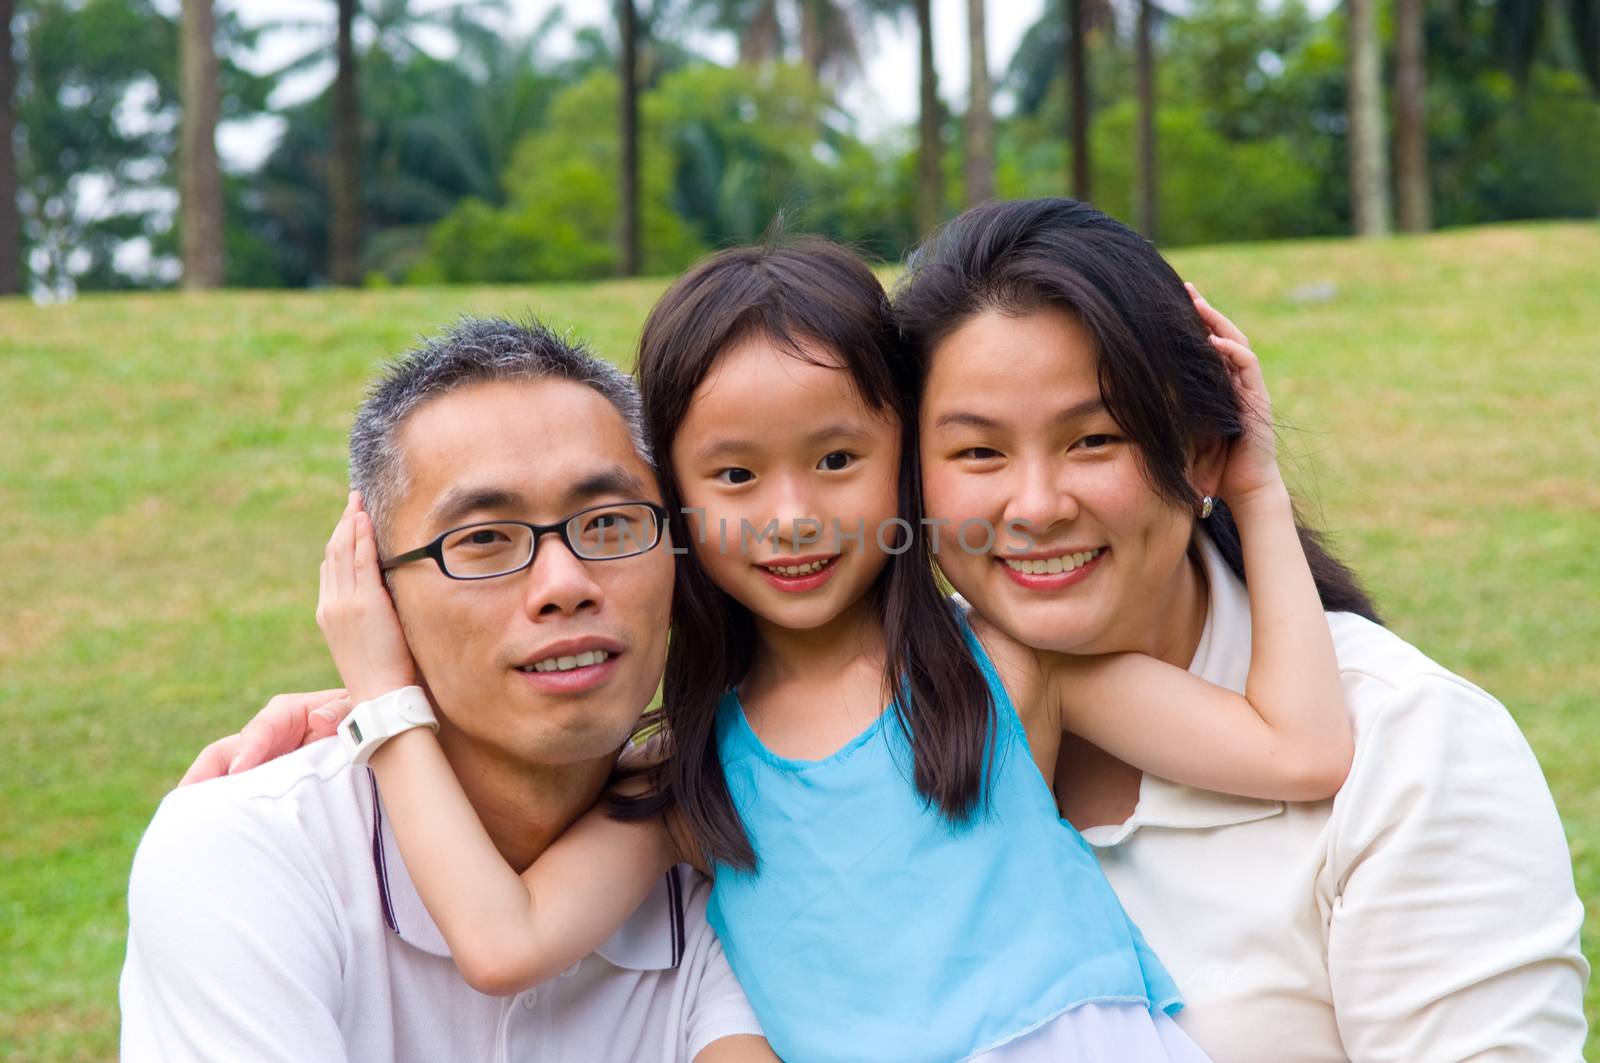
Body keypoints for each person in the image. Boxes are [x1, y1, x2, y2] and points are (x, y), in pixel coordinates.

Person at [304, 238, 1353, 1063]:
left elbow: (1300, 751)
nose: (793, 516)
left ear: (907, 452)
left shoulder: (1008, 664)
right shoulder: (694, 770)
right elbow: (504, 941)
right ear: (667, 496)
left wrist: (1252, 491)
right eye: (733, 477)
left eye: (837, 458)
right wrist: (382, 696)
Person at [893, 196, 1590, 1061]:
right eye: (978, 453)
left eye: (1095, 440)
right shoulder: (868, 726)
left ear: (1199, 452)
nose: (1036, 506)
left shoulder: (1410, 745)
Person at [118, 318, 775, 1062]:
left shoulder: (729, 844)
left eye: (609, 522)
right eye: (484, 540)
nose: (565, 585)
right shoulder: (252, 853)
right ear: (374, 589)